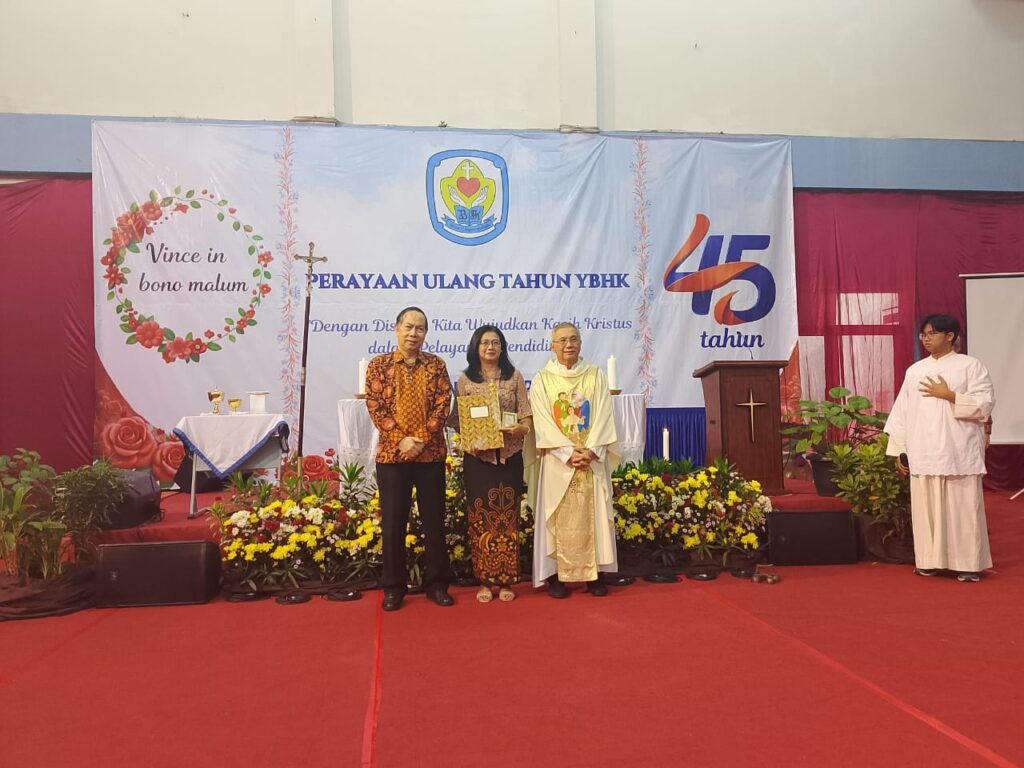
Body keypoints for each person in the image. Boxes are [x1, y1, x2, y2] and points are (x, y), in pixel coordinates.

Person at [884, 313, 995, 582]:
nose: (926, 339)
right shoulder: (915, 371)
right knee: (927, 511)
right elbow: (902, 413)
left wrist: (950, 395)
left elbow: (985, 404)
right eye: (923, 334)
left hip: (958, 449)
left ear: (950, 336)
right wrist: (900, 449)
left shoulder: (970, 366)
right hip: (923, 449)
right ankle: (929, 561)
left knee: (962, 509)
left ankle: (968, 564)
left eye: (932, 333)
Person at [365, 307, 454, 610]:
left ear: (425, 333)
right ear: (397, 328)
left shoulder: (436, 365)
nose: (413, 333)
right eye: (408, 327)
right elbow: (376, 406)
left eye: (420, 328)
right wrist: (401, 440)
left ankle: (437, 584)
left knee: (434, 522)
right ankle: (393, 587)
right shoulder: (379, 365)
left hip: (430, 456)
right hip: (392, 456)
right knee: (393, 524)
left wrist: (421, 440)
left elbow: (443, 404)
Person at [529, 322, 619, 597]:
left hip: (590, 458)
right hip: (558, 461)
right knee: (556, 513)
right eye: (562, 340)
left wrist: (591, 451)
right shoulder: (543, 379)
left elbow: (603, 414)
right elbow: (543, 421)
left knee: (595, 514)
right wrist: (568, 453)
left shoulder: (595, 375)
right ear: (552, 345)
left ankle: (595, 575)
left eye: (573, 339)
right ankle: (556, 575)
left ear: (580, 343)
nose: (568, 344)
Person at [449, 325, 533, 603]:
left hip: (509, 457)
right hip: (479, 459)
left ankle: (507, 580)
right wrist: (469, 438)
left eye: (495, 342)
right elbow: (458, 420)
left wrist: (519, 429)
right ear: (476, 347)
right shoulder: (465, 380)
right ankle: (485, 581)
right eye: (485, 343)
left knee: (507, 520)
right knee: (481, 519)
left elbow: (526, 416)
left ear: (502, 347)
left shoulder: (514, 376)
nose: (490, 347)